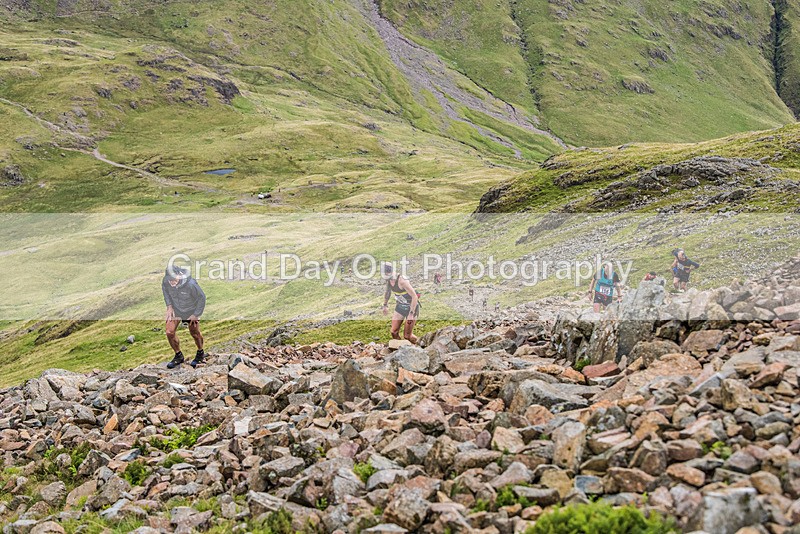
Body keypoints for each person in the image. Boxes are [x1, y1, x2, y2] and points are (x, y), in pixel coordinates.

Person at [162, 265, 207, 369]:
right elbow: (165, 291)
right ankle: (178, 356)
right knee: (169, 332)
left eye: (173, 280)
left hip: (191, 310)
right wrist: (169, 306)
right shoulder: (166, 281)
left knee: (195, 333)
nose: (171, 283)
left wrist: (196, 314)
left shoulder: (191, 284)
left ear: (179, 275)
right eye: (170, 281)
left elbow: (202, 298)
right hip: (176, 309)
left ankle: (200, 353)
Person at [382, 263, 421, 344]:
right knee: (394, 332)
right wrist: (385, 305)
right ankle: (401, 349)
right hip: (400, 306)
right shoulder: (388, 280)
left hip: (412, 308)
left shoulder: (402, 281)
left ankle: (420, 344)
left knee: (407, 336)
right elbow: (388, 292)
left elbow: (414, 297)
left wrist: (411, 314)